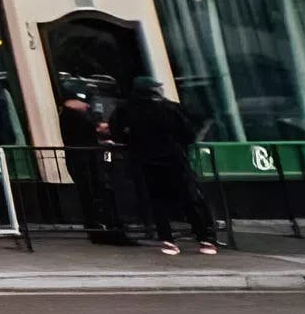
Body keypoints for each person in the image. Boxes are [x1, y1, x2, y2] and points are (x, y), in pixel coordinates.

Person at [112, 77, 220, 256]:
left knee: (157, 201)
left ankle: (168, 239)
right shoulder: (170, 108)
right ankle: (204, 237)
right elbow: (188, 133)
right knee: (188, 198)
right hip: (173, 158)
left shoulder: (126, 109)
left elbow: (118, 132)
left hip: (145, 160)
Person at [57, 90, 134, 246]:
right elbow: (85, 136)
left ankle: (101, 229)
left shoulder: (72, 116)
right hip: (88, 161)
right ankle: (106, 229)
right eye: (83, 102)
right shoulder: (74, 117)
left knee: (95, 194)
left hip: (88, 160)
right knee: (98, 194)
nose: (86, 105)